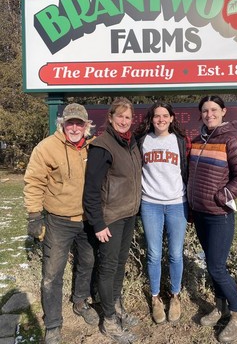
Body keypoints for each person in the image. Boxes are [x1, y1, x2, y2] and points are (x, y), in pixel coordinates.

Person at [24, 103, 99, 344]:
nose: (75, 127)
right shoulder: (46, 148)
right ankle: (53, 324)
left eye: (79, 123)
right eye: (70, 123)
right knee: (52, 274)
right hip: (58, 221)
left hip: (87, 220)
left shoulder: (94, 146)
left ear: (86, 126)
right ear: (62, 124)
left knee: (87, 262)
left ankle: (79, 301)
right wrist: (34, 215)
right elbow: (34, 182)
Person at [187, 95, 237, 343]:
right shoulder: (197, 140)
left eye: (214, 109)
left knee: (216, 267)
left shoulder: (232, 139)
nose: (209, 114)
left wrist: (221, 196)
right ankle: (221, 306)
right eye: (205, 110)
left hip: (219, 215)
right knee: (212, 266)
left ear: (223, 111)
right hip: (200, 213)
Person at [83, 97, 142, 344]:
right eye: (119, 116)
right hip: (110, 218)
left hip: (128, 214)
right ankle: (108, 320)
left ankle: (116, 306)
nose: (123, 121)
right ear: (110, 117)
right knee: (107, 268)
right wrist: (98, 223)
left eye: (128, 117)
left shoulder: (131, 143)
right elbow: (91, 190)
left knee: (119, 265)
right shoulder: (102, 146)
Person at [134, 102, 190, 324]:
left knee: (176, 254)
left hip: (177, 204)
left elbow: (186, 169)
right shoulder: (143, 141)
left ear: (172, 118)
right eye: (156, 116)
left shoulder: (180, 141)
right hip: (151, 204)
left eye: (165, 115)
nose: (160, 119)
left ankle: (175, 296)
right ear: (151, 119)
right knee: (154, 254)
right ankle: (156, 297)